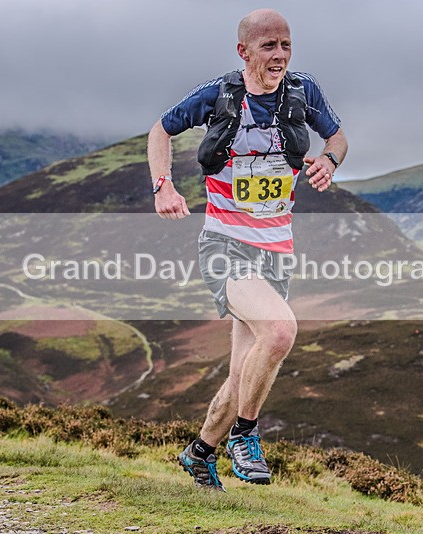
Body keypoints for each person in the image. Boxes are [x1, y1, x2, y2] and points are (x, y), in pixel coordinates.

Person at [147, 8, 347, 491]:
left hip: (276, 252)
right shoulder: (218, 95)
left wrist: (330, 161)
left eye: (286, 45)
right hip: (226, 247)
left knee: (243, 375)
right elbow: (160, 131)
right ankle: (245, 433)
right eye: (268, 46)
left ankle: (199, 454)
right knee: (280, 332)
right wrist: (163, 186)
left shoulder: (303, 91)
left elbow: (337, 137)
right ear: (244, 51)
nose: (279, 55)